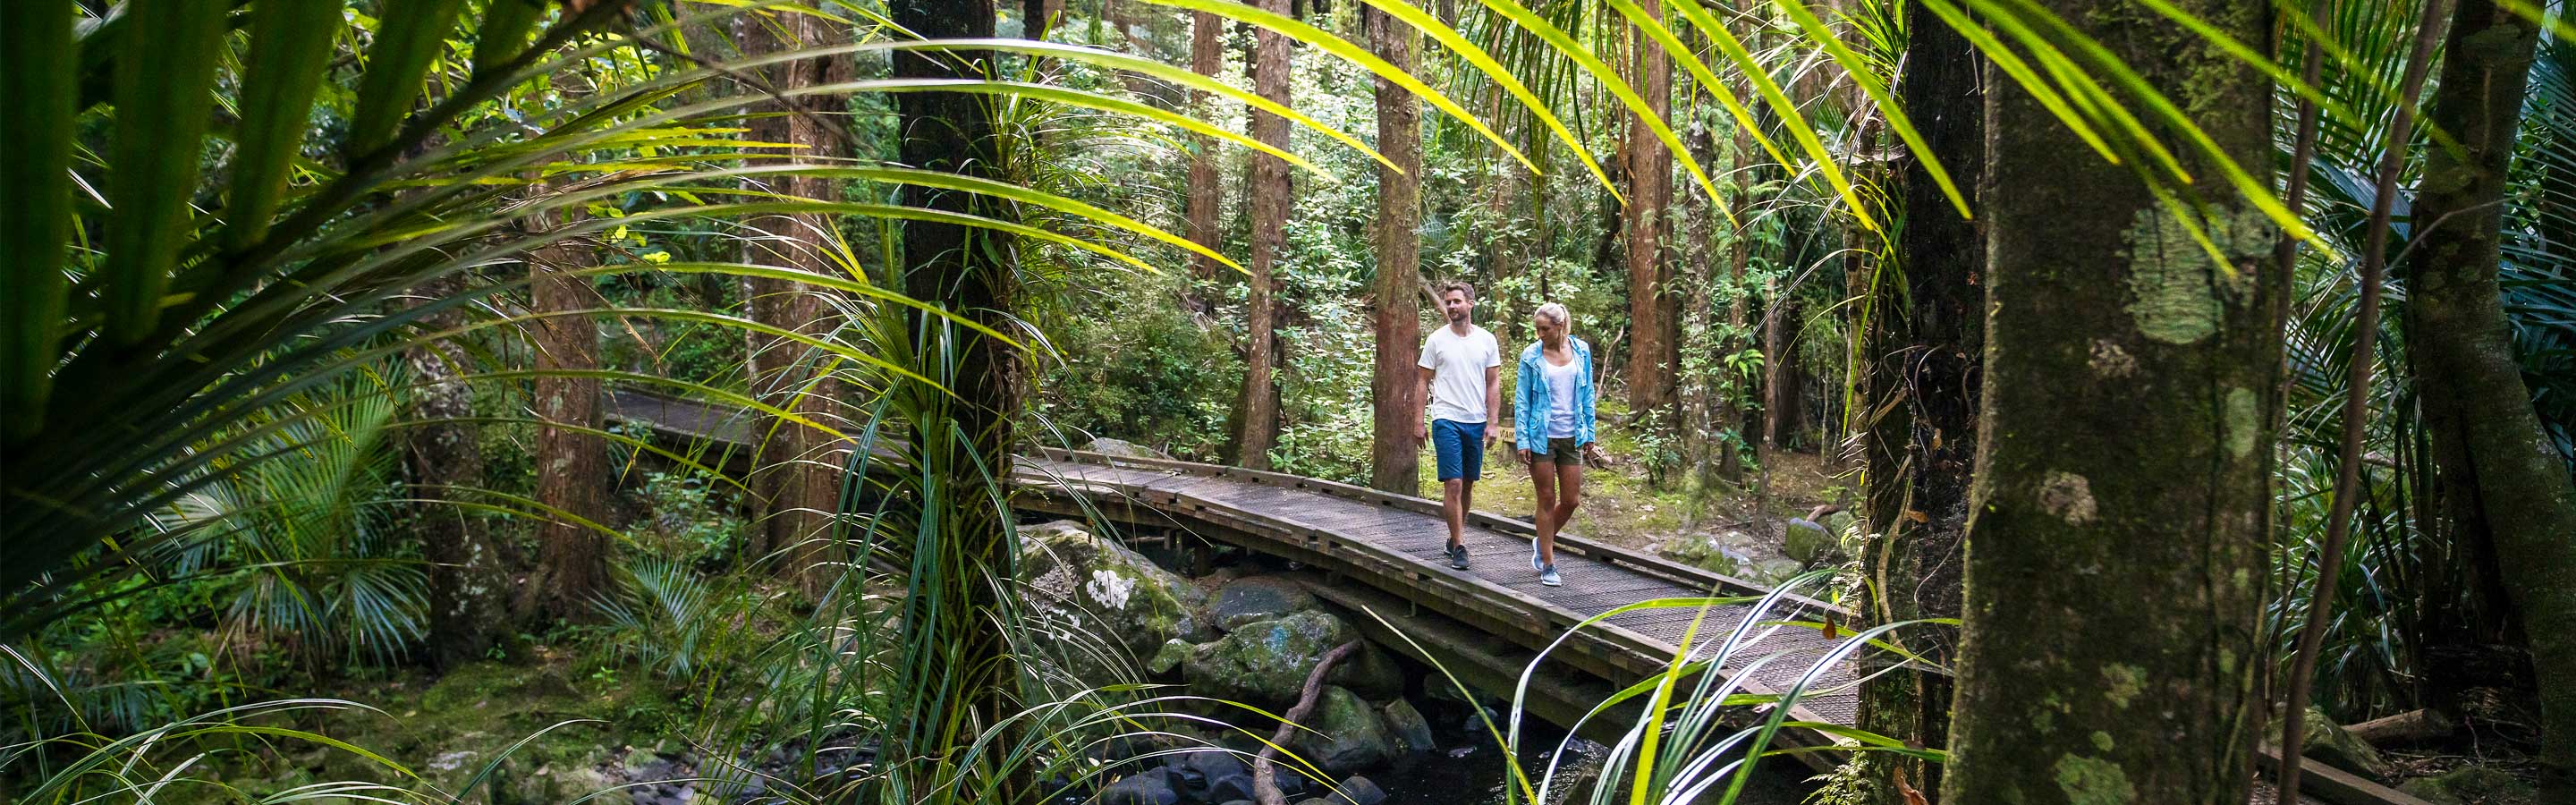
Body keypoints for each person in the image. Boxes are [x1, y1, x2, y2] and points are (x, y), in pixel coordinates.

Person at [1513, 302, 1601, 587]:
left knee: (1572, 500)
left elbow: (1587, 394)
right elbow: (1522, 400)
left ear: (1560, 326)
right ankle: (1548, 564)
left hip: (1572, 434)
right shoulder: (1531, 356)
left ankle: (1542, 541)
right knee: (1547, 498)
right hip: (1541, 435)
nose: (1539, 334)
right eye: (1537, 329)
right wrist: (1522, 439)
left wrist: (1589, 432)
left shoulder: (1581, 351)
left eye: (1544, 329)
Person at [1416, 282, 1501, 570]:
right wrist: (1419, 421)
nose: (1452, 306)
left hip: (1475, 421)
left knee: (1467, 484)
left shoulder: (1487, 340)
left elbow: (1493, 383)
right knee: (1452, 482)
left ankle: (1455, 537)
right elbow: (1422, 381)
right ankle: (1460, 546)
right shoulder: (1437, 340)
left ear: (1470, 304)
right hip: (1445, 418)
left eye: (1456, 301)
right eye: (1448, 302)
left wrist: (1493, 423)